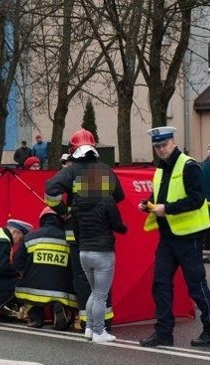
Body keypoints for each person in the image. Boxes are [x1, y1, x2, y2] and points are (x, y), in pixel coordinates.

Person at [138, 126, 210, 348]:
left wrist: (166, 209)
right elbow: (159, 196)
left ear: (173, 142)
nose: (161, 149)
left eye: (164, 145)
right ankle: (163, 332)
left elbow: (196, 199)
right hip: (168, 237)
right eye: (157, 146)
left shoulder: (189, 165)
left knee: (196, 286)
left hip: (189, 237)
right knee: (160, 283)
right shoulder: (161, 170)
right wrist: (147, 203)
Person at [45, 128, 123, 332]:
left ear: (72, 150)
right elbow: (119, 196)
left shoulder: (71, 171)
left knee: (82, 279)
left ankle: (86, 322)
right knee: (102, 283)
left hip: (77, 235)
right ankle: (104, 322)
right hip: (102, 235)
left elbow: (50, 190)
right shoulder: (105, 170)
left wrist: (64, 211)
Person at [74, 168, 128, 343]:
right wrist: (124, 229)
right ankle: (99, 332)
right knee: (100, 295)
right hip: (103, 252)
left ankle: (89, 328)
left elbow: (76, 229)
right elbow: (117, 224)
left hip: (84, 252)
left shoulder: (77, 202)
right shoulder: (107, 201)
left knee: (94, 291)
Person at [14, 207, 76, 331]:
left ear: (43, 219)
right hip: (62, 290)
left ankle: (36, 317)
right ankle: (60, 309)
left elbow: (17, 262)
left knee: (28, 294)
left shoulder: (31, 237)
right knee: (63, 296)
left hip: (31, 288)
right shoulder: (71, 239)